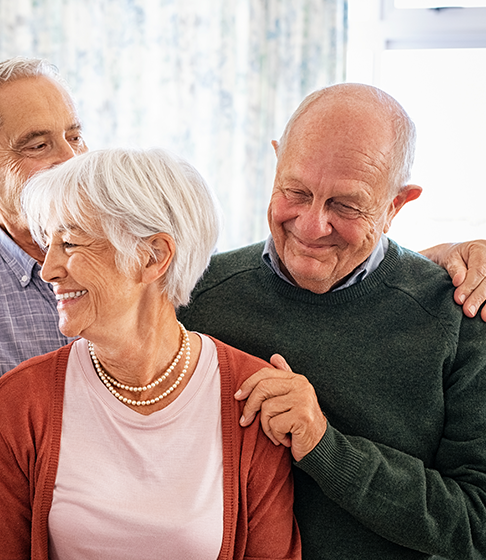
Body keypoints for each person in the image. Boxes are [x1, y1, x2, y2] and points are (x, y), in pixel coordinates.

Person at [0, 58, 486, 475]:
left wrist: (436, 260)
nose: (70, 158)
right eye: (37, 145)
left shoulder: (167, 281)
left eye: (74, 134)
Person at [176, 83, 486, 558]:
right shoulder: (193, 297)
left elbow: (476, 523)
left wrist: (325, 446)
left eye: (345, 205)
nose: (311, 225)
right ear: (276, 162)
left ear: (395, 206)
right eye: (295, 191)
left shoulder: (460, 316)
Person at [0, 147, 300, 559]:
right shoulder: (19, 404)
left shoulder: (251, 398)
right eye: (48, 243)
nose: (48, 269)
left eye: (70, 242)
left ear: (152, 257)